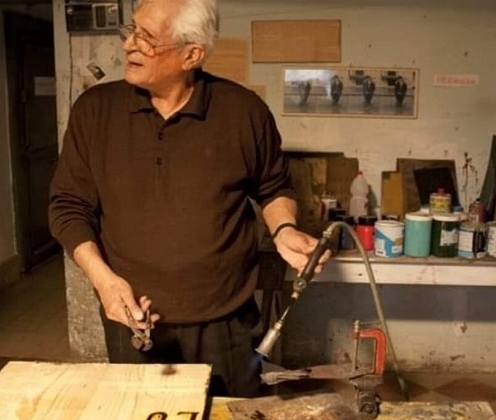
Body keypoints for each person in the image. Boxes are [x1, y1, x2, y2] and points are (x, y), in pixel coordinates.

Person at [48, 0, 328, 399]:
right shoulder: (95, 111)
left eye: (147, 38)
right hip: (134, 317)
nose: (129, 45)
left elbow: (273, 187)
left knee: (230, 412)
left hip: (226, 321)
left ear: (191, 54)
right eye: (132, 31)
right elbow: (68, 206)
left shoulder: (244, 111)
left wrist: (283, 229)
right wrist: (103, 281)